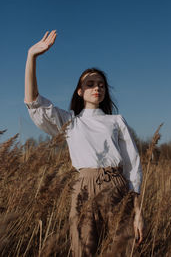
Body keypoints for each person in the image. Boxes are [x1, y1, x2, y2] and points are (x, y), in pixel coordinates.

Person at [24, 30, 144, 256]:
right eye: (90, 84)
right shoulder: (70, 121)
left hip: (117, 186)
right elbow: (33, 102)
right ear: (80, 91)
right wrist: (31, 56)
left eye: (101, 84)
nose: (96, 87)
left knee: (123, 250)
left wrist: (138, 213)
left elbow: (132, 166)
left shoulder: (116, 120)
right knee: (83, 250)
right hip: (84, 188)